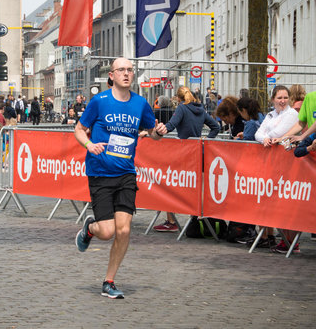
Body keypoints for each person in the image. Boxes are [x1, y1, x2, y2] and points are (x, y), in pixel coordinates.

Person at [74, 57, 167, 299]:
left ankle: (109, 281)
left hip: (126, 173)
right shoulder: (99, 102)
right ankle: (90, 228)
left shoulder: (140, 104)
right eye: (121, 70)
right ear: (112, 76)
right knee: (107, 232)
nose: (126, 74)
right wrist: (89, 144)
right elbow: (78, 129)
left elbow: (151, 133)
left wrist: (157, 133)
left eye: (129, 70)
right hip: (100, 172)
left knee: (123, 231)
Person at [153, 86, 219, 232]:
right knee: (193, 186)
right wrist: (206, 141)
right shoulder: (200, 109)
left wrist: (159, 129)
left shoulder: (182, 108)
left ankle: (171, 221)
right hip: (198, 152)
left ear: (178, 98)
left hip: (183, 152)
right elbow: (216, 127)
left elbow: (171, 125)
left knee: (169, 184)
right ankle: (194, 219)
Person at [250, 85, 299, 249]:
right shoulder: (271, 114)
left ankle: (291, 241)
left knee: (287, 201)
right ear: (273, 100)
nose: (283, 101)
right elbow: (258, 133)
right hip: (271, 163)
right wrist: (263, 139)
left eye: (285, 97)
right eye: (279, 98)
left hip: (287, 160)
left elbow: (279, 133)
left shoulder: (292, 114)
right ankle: (271, 236)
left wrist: (266, 137)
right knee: (270, 198)